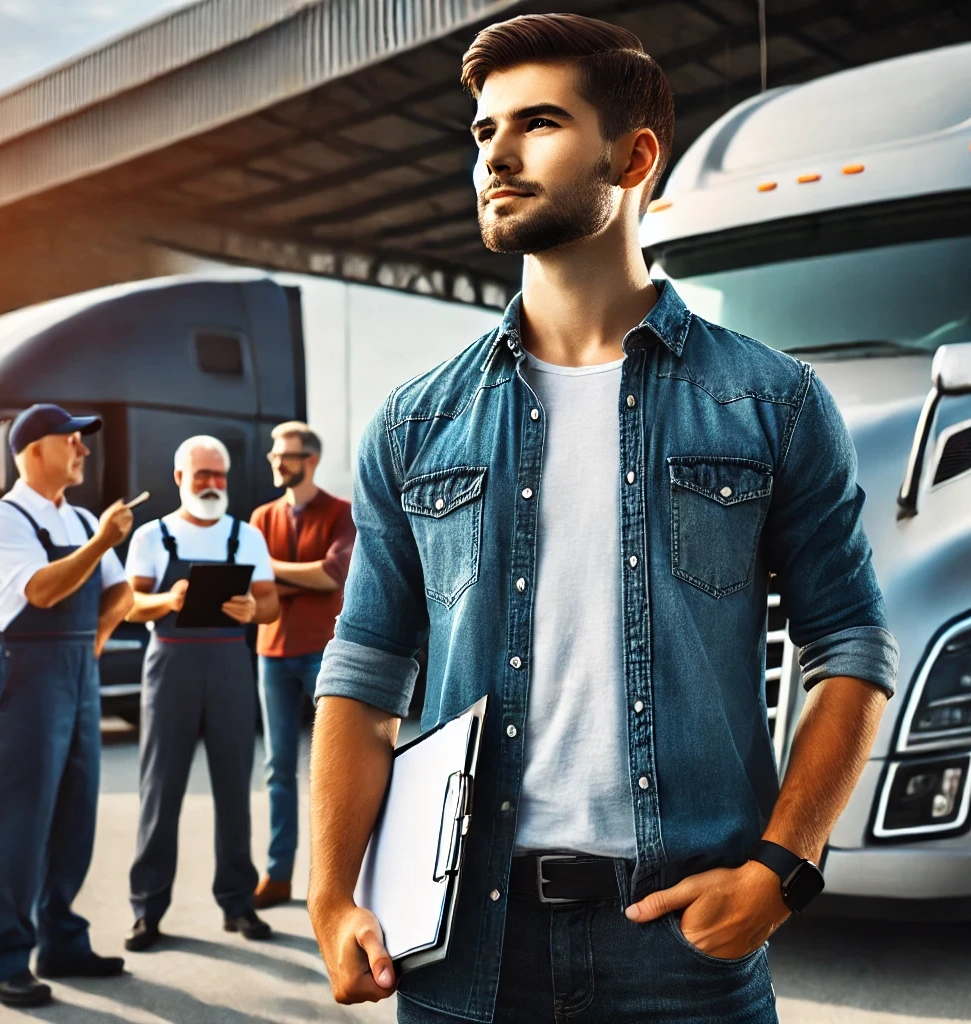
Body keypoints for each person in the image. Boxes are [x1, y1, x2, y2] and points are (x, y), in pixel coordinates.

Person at [307, 14, 898, 1024]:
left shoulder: (771, 404)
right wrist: (329, 896)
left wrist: (780, 870)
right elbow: (364, 675)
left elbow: (848, 646)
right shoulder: (415, 424)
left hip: (680, 950)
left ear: (632, 155)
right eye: (483, 129)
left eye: (537, 123)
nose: (494, 149)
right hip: (458, 949)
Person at [0, 403, 136, 1008]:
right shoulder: (0, 520)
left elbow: (119, 591)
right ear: (34, 449)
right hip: (28, 667)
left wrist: (93, 639)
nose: (84, 451)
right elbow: (39, 591)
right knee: (19, 814)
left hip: (75, 668)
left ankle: (61, 940)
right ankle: (4, 958)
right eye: (73, 440)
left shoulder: (83, 517)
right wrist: (98, 543)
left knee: (74, 808)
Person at [121, 436, 282, 951]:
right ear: (178, 479)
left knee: (235, 788)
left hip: (230, 664)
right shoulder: (151, 536)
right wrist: (167, 598)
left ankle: (237, 904)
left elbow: (271, 604)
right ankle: (147, 910)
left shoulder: (247, 536)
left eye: (219, 476)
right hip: (170, 663)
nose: (212, 485)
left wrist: (252, 613)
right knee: (160, 790)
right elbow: (128, 607)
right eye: (201, 476)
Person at [248, 421, 356, 908]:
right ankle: (278, 874)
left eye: (285, 454)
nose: (276, 460)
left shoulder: (341, 514)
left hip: (322, 651)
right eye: (274, 453)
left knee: (335, 768)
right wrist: (298, 578)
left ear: (310, 460)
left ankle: (338, 881)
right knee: (277, 769)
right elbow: (254, 586)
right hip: (271, 652)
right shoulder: (260, 516)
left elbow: (331, 574)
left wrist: (270, 570)